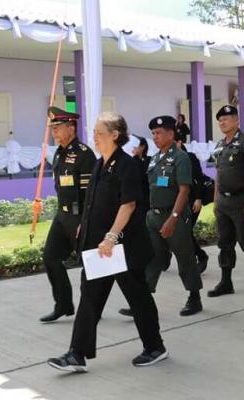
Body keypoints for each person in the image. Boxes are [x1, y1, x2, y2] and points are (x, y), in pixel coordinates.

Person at [48, 112, 167, 372]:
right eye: (94, 133)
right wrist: (84, 226)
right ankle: (77, 354)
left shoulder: (127, 165)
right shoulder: (100, 163)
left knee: (138, 297)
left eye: (99, 133)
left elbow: (128, 204)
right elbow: (92, 202)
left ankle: (155, 347)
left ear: (115, 134)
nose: (95, 138)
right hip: (101, 248)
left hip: (122, 246)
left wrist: (111, 236)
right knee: (90, 297)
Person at [39, 106, 96, 323]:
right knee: (51, 258)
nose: (54, 131)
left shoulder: (84, 154)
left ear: (71, 128)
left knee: (92, 266)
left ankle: (96, 307)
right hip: (62, 216)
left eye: (58, 127)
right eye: (52, 127)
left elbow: (90, 193)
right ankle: (63, 305)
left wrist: (84, 221)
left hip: (79, 217)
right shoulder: (59, 153)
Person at [146, 115, 203, 316]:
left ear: (171, 134)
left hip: (174, 216)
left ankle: (194, 298)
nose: (155, 137)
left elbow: (184, 189)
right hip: (154, 216)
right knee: (152, 257)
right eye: (153, 133)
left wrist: (174, 217)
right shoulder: (155, 158)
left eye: (159, 133)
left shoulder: (180, 157)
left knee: (185, 258)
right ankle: (143, 299)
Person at [208, 105, 244, 297]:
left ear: (237, 120)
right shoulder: (220, 145)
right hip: (223, 201)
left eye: (226, 119)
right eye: (220, 120)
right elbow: (218, 174)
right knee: (224, 243)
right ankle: (226, 282)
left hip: (241, 200)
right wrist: (216, 201)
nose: (222, 123)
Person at [175, 135, 209, 273]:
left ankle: (200, 256)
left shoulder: (190, 157)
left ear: (179, 142)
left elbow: (198, 178)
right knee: (180, 232)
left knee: (186, 231)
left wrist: (199, 198)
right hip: (176, 201)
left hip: (191, 200)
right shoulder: (168, 159)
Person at [132, 135, 151, 211]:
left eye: (135, 146)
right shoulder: (131, 160)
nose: (133, 148)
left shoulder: (149, 160)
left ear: (142, 147)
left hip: (146, 197)